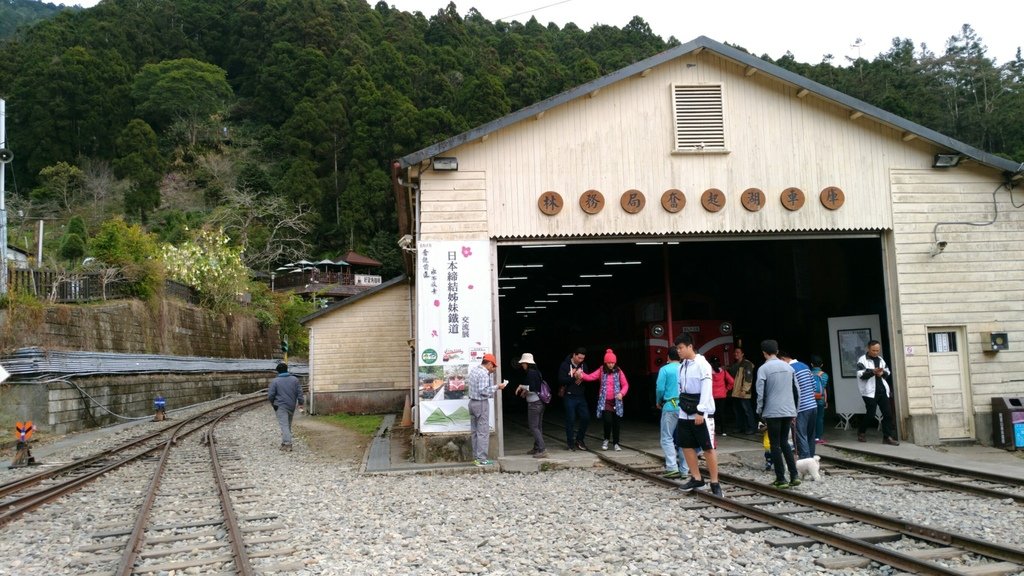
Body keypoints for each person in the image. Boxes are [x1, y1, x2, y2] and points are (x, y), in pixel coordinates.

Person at [673, 333, 722, 496]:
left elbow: (707, 388)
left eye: (680, 348)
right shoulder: (681, 366)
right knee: (685, 445)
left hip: (701, 412)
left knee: (707, 447)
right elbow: (681, 388)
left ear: (689, 347)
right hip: (684, 411)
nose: (678, 351)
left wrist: (701, 410)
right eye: (677, 348)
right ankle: (696, 477)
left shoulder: (702, 364)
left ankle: (715, 482)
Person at [755, 339, 800, 489]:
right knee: (785, 442)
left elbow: (760, 393)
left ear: (764, 352)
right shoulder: (788, 367)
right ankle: (794, 476)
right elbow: (797, 390)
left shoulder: (763, 369)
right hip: (789, 410)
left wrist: (759, 411)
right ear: (777, 351)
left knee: (775, 444)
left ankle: (781, 478)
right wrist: (795, 409)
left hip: (773, 411)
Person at [579, 348, 629, 451]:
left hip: (617, 401)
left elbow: (625, 384)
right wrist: (581, 374)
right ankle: (606, 440)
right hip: (605, 401)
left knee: (616, 422)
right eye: (609, 363)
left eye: (613, 363)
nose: (611, 365)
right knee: (607, 421)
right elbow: (590, 377)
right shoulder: (601, 370)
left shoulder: (618, 371)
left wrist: (621, 393)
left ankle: (616, 443)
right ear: (605, 362)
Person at [857, 340, 899, 445]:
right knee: (871, 414)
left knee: (888, 414)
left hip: (882, 390)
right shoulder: (862, 360)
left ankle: (887, 437)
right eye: (873, 350)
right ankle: (861, 431)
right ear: (868, 348)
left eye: (877, 350)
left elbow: (887, 372)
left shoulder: (881, 359)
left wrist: (882, 373)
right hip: (869, 392)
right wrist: (873, 372)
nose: (876, 352)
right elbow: (861, 375)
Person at [467, 353, 507, 466]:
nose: (494, 369)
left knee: (475, 432)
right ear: (489, 364)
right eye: (493, 366)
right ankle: (482, 459)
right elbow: (483, 391)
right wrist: (497, 387)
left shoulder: (474, 370)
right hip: (480, 404)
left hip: (472, 403)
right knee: (483, 432)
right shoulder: (484, 374)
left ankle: (476, 458)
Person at [655, 347, 687, 478]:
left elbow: (660, 388)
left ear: (668, 357)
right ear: (679, 357)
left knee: (667, 437)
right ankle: (685, 470)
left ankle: (672, 467)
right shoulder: (684, 368)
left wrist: (658, 401)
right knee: (684, 438)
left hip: (670, 406)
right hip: (685, 407)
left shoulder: (664, 369)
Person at [779, 351, 817, 459]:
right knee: (810, 435)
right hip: (813, 406)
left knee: (800, 435)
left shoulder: (790, 370)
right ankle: (812, 459)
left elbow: (792, 391)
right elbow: (814, 386)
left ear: (782, 359)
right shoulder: (805, 366)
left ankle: (805, 459)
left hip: (801, 408)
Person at [515, 352, 549, 458]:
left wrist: (521, 387)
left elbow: (533, 387)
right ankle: (537, 447)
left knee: (533, 427)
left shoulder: (531, 373)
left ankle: (542, 449)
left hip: (534, 403)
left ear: (527, 363)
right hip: (540, 402)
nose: (522, 365)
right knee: (538, 426)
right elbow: (534, 387)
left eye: (523, 363)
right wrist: (525, 391)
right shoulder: (537, 372)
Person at [558, 347, 590, 451]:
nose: (581, 360)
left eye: (583, 358)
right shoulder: (565, 365)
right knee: (570, 419)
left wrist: (582, 377)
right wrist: (573, 378)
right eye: (579, 358)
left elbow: (588, 377)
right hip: (569, 395)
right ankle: (570, 442)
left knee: (586, 417)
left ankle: (579, 439)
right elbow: (561, 380)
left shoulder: (584, 365)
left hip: (580, 395)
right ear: (574, 355)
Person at [268, 362, 304, 451]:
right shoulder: (295, 380)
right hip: (291, 405)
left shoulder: (275, 381)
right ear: (287, 369)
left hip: (280, 406)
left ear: (278, 372)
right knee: (288, 425)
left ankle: (288, 444)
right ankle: (284, 442)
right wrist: (300, 403)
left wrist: (273, 403)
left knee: (284, 425)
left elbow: (271, 395)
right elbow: (300, 393)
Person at [728, 346, 757, 434]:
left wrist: (744, 390)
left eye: (738, 352)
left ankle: (752, 428)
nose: (736, 354)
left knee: (747, 410)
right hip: (735, 392)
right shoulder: (735, 364)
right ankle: (739, 427)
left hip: (743, 392)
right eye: (735, 352)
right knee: (738, 411)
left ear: (742, 354)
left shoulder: (747, 364)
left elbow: (748, 378)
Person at [709, 356, 734, 435]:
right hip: (722, 395)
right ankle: (724, 431)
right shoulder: (723, 372)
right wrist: (726, 389)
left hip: (713, 396)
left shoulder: (709, 373)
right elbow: (732, 381)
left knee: (713, 413)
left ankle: (714, 430)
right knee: (722, 413)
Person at [810, 355, 829, 444]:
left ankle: (810, 437)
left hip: (809, 399)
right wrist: (826, 401)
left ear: (811, 364)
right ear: (821, 365)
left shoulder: (808, 374)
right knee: (819, 418)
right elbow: (824, 388)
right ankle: (818, 438)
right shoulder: (825, 375)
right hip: (820, 399)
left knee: (810, 418)